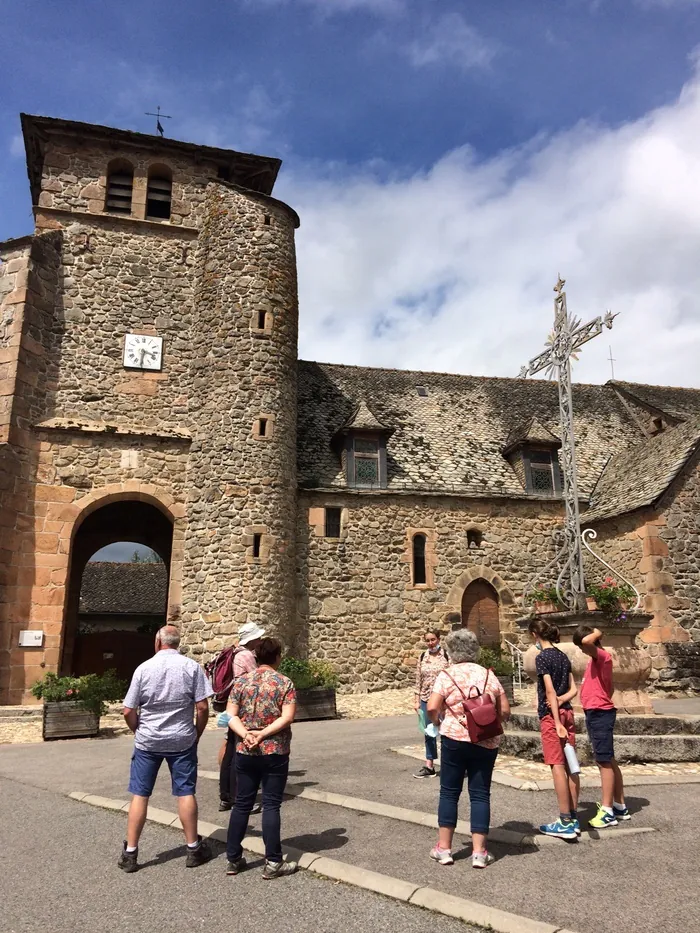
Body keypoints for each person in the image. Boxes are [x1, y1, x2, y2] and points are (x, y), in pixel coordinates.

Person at [119, 625, 213, 872]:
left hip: (148, 740)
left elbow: (128, 709)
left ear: (157, 642)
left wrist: (137, 730)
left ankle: (130, 853)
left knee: (140, 794)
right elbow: (203, 707)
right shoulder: (192, 667)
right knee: (185, 792)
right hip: (181, 739)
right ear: (177, 643)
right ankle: (193, 848)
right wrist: (197, 732)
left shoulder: (143, 668)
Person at [427, 628, 510, 868]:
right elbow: (504, 710)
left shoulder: (446, 675)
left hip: (454, 739)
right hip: (485, 740)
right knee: (480, 793)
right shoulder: (488, 675)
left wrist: (441, 721)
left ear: (451, 652)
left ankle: (444, 849)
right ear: (475, 651)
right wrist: (489, 720)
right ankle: (479, 852)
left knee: (449, 792)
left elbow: (432, 707)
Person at [225, 636, 298, 880]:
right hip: (274, 750)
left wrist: (247, 734)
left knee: (242, 804)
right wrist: (263, 734)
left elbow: (230, 715)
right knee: (271, 804)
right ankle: (273, 861)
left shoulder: (242, 682)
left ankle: (233, 858)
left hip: (245, 750)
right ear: (277, 657)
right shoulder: (284, 683)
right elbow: (287, 717)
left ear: (256, 657)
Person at [573, 625, 630, 828]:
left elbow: (588, 642)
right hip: (596, 711)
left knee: (603, 761)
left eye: (581, 645)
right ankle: (619, 805)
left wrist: (596, 631)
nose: (582, 649)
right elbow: (610, 687)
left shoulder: (603, 656)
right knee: (609, 759)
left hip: (600, 713)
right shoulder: (595, 661)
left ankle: (607, 811)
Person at [528, 618, 580, 840]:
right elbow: (573, 690)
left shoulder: (542, 658)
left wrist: (556, 720)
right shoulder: (562, 656)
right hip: (568, 711)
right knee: (571, 764)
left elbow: (549, 691)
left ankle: (565, 821)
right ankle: (574, 817)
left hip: (553, 717)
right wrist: (561, 700)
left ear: (534, 635)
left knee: (557, 765)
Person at [219, 621, 266, 812]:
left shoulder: (233, 653)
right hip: (242, 708)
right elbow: (258, 679)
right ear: (252, 639)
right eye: (258, 637)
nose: (260, 639)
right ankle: (241, 797)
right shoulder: (246, 655)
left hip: (230, 706)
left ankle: (226, 797)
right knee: (240, 753)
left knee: (230, 751)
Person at [413, 626, 449, 778]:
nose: (430, 643)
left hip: (444, 700)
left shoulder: (446, 656)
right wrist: (416, 700)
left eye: (433, 639)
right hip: (426, 699)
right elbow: (418, 680)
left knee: (448, 732)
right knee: (429, 732)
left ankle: (450, 764)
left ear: (439, 639)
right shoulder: (423, 657)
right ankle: (429, 765)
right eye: (427, 640)